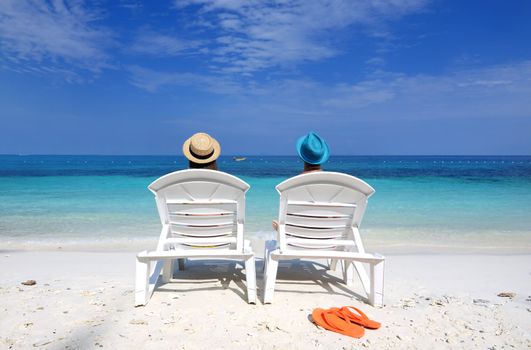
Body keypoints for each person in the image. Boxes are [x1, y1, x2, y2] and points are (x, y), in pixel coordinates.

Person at [272, 131, 330, 230]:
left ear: (301, 156)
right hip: (331, 243)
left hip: (296, 242)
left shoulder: (291, 185)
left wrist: (279, 228)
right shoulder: (333, 185)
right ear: (323, 156)